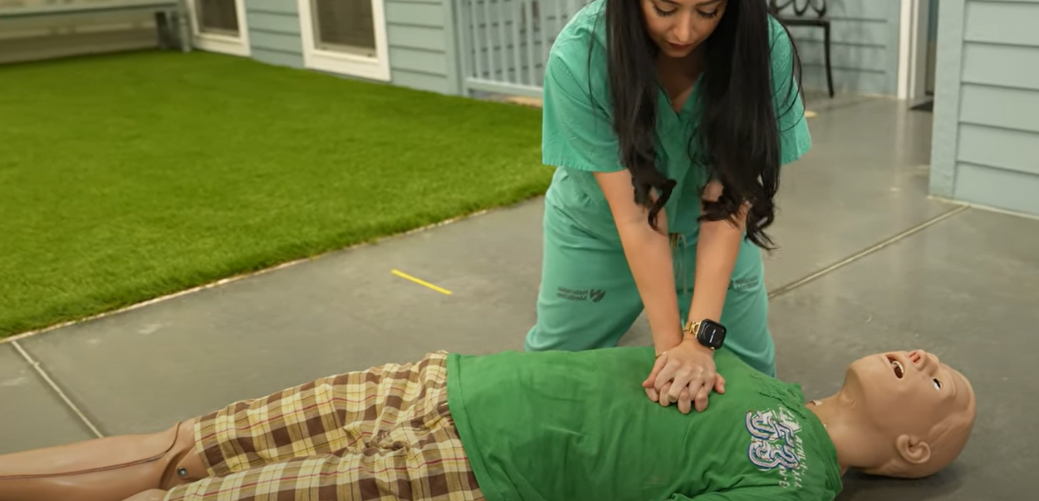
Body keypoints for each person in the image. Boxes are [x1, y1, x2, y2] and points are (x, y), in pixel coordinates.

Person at [526, 0, 812, 415]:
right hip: (602, 231)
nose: (684, 30)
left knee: (755, 390)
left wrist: (699, 342)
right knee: (549, 382)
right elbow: (636, 218)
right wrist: (670, 352)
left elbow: (728, 205)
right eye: (663, 7)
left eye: (709, 10)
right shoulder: (583, 54)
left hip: (718, 231)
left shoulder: (761, 49)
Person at [0, 346, 976, 501]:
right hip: (439, 381)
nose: (927, 359)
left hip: (474, 472)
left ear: (915, 449)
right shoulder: (758, 375)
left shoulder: (795, 483)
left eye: (944, 387)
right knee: (179, 446)